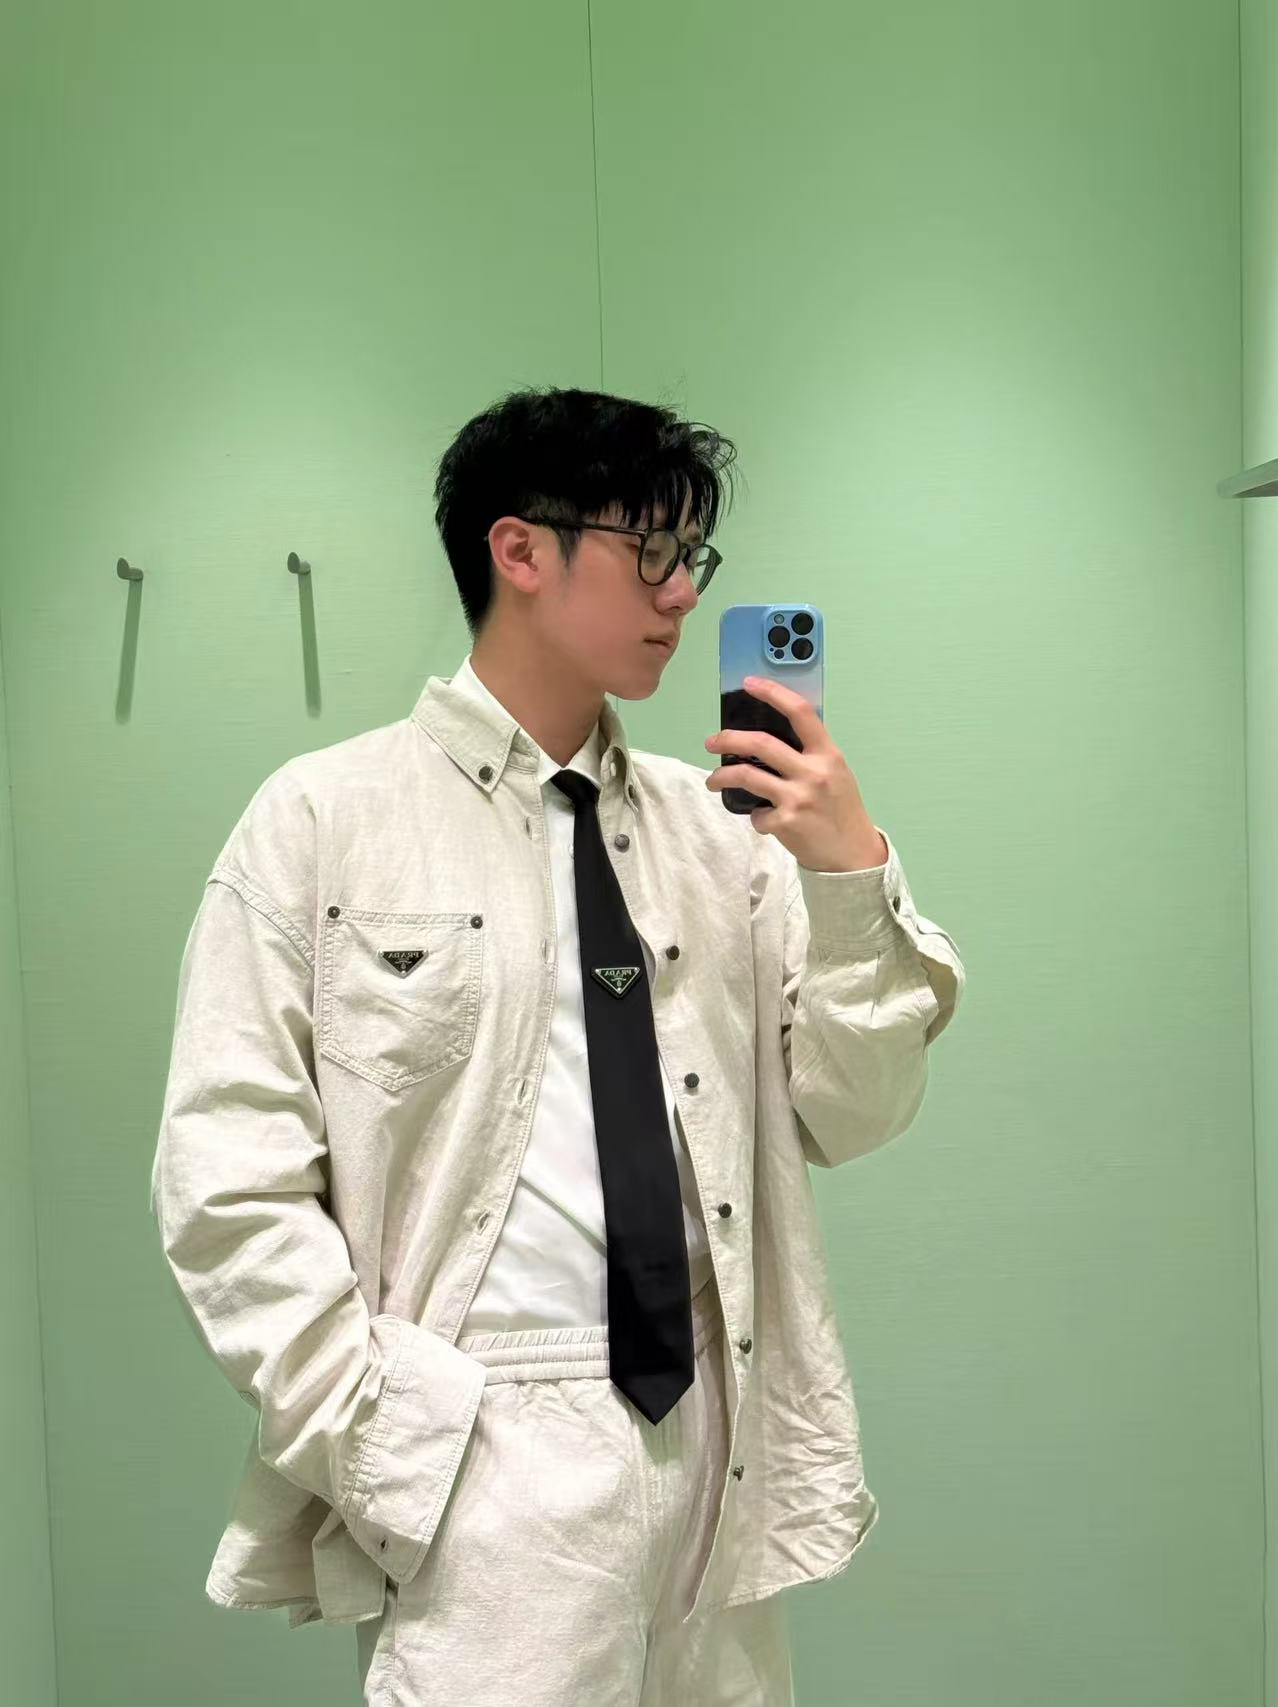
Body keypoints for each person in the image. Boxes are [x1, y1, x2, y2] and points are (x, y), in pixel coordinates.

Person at [150, 384, 965, 1705]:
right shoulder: (324, 823)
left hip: (716, 1437)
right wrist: (386, 1430)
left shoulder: (729, 840)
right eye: (651, 550)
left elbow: (855, 1112)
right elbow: (224, 1181)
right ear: (520, 551)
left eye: (693, 557)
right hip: (482, 1439)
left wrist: (845, 873)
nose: (681, 593)